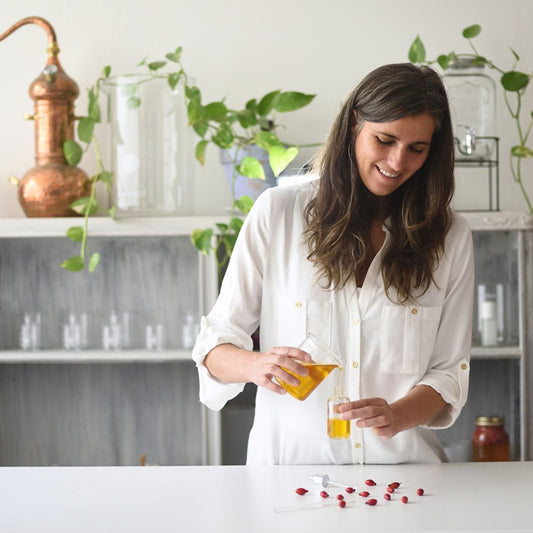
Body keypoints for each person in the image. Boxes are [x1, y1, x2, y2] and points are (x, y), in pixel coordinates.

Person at [192, 63, 475, 465]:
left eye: (417, 148)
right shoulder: (279, 214)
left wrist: (397, 415)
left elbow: (448, 373)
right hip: (288, 481)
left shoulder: (450, 236)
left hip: (406, 482)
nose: (397, 162)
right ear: (355, 123)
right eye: (385, 139)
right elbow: (214, 343)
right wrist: (257, 364)